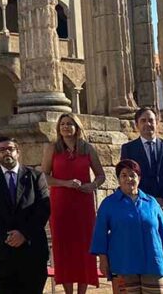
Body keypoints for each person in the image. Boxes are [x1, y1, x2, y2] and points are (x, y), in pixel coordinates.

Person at [120, 107, 163, 294]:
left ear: (157, 123)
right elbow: (128, 179)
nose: (148, 124)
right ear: (136, 125)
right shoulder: (129, 149)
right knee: (146, 251)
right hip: (142, 209)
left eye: (151, 120)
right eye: (143, 120)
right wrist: (150, 202)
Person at [40, 114, 105, 294]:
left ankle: (82, 291)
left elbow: (100, 175)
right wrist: (65, 183)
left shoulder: (87, 149)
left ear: (77, 127)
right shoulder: (53, 148)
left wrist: (91, 185)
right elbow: (44, 176)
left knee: (84, 248)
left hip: (83, 205)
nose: (66, 127)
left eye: (69, 124)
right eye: (62, 124)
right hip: (61, 204)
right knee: (65, 249)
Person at [0, 136, 51, 294]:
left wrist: (24, 234)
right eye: (2, 150)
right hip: (0, 249)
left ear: (18, 152)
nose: (6, 153)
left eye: (10, 149)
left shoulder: (36, 177)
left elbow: (43, 209)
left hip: (31, 249)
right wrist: (6, 236)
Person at [91, 159, 163, 293]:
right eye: (124, 175)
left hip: (153, 263)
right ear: (118, 179)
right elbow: (100, 234)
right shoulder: (109, 204)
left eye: (132, 175)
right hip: (123, 264)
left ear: (139, 178)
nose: (128, 179)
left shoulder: (152, 203)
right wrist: (103, 260)